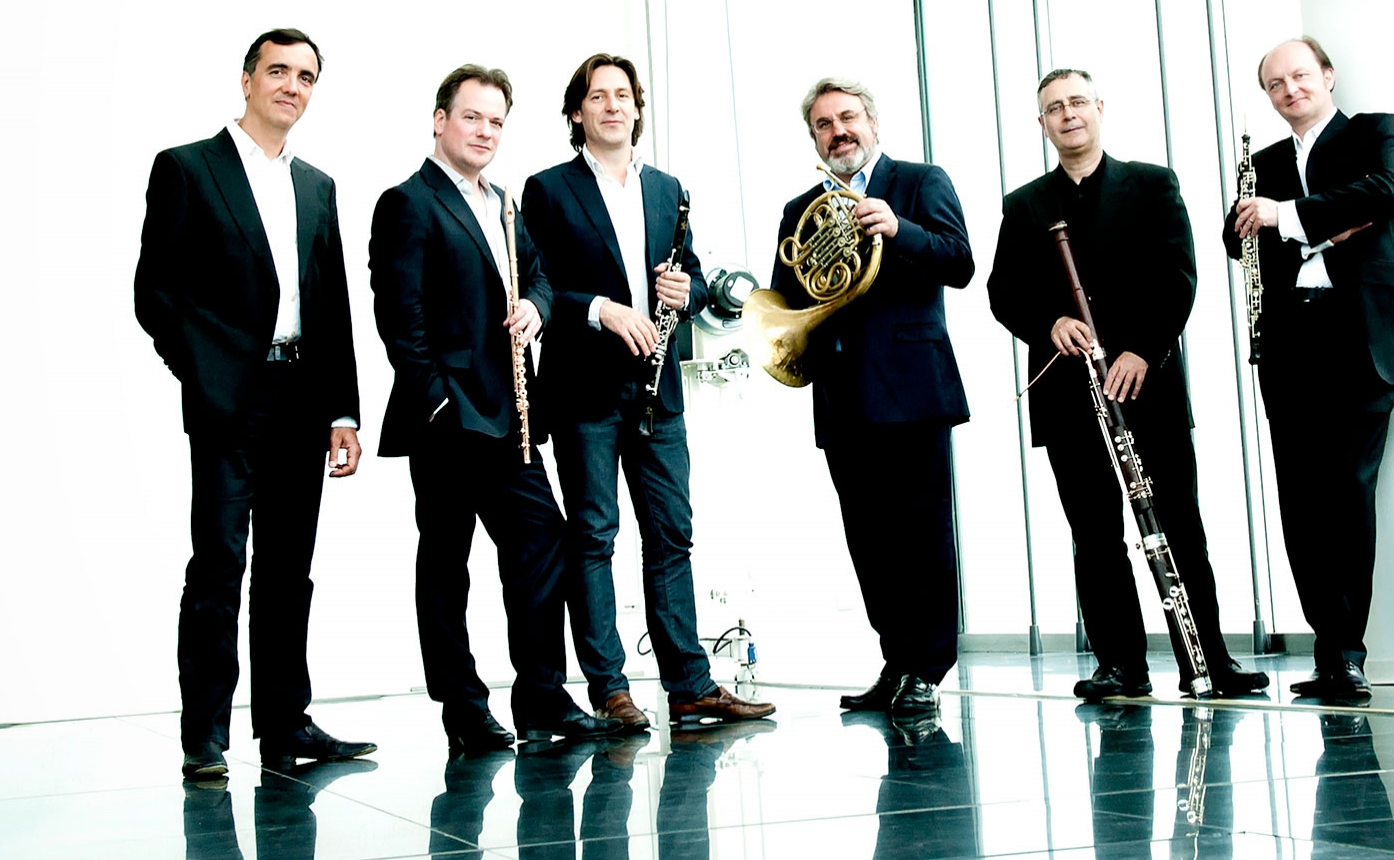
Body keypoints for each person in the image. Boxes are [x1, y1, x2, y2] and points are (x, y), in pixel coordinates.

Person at [369, 63, 634, 748]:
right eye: (472, 117)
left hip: (510, 420)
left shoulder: (505, 203)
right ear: (440, 121)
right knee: (446, 565)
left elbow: (539, 276)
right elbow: (400, 319)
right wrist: (437, 404)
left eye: (495, 121)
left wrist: (537, 307)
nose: (485, 131)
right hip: (448, 419)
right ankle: (463, 709)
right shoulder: (408, 202)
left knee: (543, 542)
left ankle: (541, 699)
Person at [135, 27, 375, 780]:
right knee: (218, 565)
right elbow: (155, 294)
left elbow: (332, 305)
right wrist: (205, 375)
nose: (291, 87)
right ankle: (204, 737)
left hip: (302, 398)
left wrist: (343, 412)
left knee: (288, 571)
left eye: (305, 77)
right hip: (228, 402)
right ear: (247, 80)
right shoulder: (187, 168)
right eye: (278, 71)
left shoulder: (317, 186)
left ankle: (284, 724)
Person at [988, 69, 1269, 700]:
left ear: (1099, 108)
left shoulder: (1152, 184)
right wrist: (1049, 322)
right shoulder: (1024, 204)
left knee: (1180, 525)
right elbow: (1004, 292)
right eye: (1054, 108)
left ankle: (1210, 661)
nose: (1068, 114)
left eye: (1077, 102)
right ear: (1042, 124)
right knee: (1094, 534)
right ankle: (1121, 665)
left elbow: (1179, 276)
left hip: (1148, 385)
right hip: (1069, 392)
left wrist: (1144, 349)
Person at [521, 53, 773, 729]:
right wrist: (600, 309)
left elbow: (692, 275)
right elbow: (535, 286)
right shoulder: (547, 190)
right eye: (597, 96)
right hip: (584, 389)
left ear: (637, 108)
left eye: (623, 95)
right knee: (593, 536)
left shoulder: (667, 189)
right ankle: (610, 688)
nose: (612, 106)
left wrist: (688, 290)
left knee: (671, 536)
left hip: (658, 389)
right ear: (577, 113)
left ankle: (690, 685)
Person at [1224, 37, 1394, 699]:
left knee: (1347, 491)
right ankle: (1327, 649)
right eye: (1276, 84)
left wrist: (1288, 218)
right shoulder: (1261, 163)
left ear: (1327, 75)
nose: (1290, 89)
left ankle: (1348, 653)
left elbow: (1387, 191)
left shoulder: (1376, 132)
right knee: (1301, 501)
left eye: (1300, 75)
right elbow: (1236, 238)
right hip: (1289, 341)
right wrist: (1329, 223)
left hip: (1360, 337)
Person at [770, 77, 974, 717]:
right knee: (870, 543)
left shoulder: (920, 182)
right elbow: (787, 299)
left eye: (848, 117)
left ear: (873, 122)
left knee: (923, 537)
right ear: (814, 139)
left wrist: (899, 228)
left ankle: (928, 669)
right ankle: (897, 659)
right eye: (824, 124)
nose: (839, 131)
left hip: (913, 392)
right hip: (843, 396)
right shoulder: (801, 209)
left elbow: (960, 263)